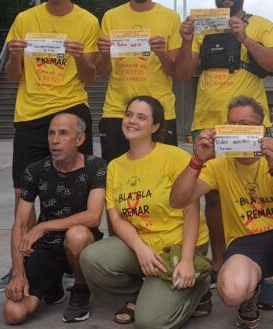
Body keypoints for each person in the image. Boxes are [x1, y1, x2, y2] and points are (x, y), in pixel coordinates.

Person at [0, 0, 100, 294]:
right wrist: (14, 55)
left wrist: (81, 55)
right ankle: (18, 265)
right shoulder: (25, 19)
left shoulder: (87, 22)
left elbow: (90, 77)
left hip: (70, 108)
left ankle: (73, 262)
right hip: (30, 116)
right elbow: (13, 77)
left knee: (79, 192)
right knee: (22, 197)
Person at [174, 0, 273, 288]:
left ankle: (257, 261)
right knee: (213, 197)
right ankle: (220, 260)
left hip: (245, 127)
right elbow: (182, 73)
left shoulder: (262, 25)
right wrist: (185, 41)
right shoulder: (203, 28)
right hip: (207, 123)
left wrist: (245, 38)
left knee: (255, 192)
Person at [170, 95, 273, 329]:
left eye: (246, 125)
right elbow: (178, 200)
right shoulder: (218, 163)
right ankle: (251, 292)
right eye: (232, 124)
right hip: (244, 244)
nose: (238, 130)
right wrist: (197, 160)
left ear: (261, 129)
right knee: (230, 291)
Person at [79, 96, 211, 329]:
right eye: (129, 114)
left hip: (180, 245)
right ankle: (145, 291)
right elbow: (116, 217)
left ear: (156, 126)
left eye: (141, 117)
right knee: (92, 259)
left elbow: (192, 213)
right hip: (143, 244)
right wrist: (140, 249)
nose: (132, 121)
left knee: (150, 323)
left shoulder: (174, 157)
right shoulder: (115, 166)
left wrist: (188, 260)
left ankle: (199, 285)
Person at [4, 113, 106, 325]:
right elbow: (20, 224)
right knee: (14, 313)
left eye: (63, 134)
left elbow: (94, 216)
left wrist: (43, 226)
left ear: (79, 139)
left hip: (82, 243)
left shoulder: (95, 167)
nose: (54, 140)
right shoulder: (35, 170)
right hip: (47, 246)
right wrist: (18, 273)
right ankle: (52, 287)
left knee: (76, 235)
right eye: (51, 133)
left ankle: (80, 287)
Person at [97, 0, 182, 160]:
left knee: (162, 182)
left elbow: (176, 72)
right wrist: (104, 53)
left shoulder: (170, 18)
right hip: (117, 111)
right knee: (115, 177)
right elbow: (101, 71)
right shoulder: (111, 16)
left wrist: (161, 53)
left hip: (160, 113)